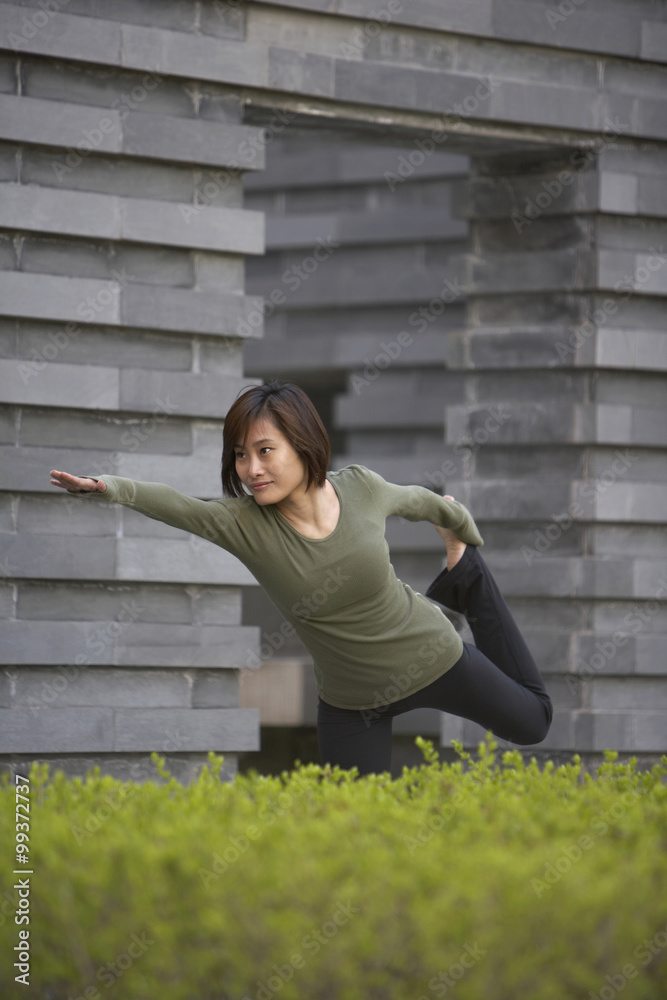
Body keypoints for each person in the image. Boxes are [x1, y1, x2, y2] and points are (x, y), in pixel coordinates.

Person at [50, 380, 552, 776]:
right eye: (240, 455)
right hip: (353, 704)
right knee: (350, 838)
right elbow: (180, 506)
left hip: (430, 654)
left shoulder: (361, 488)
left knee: (533, 723)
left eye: (264, 450)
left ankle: (468, 578)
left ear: (302, 443)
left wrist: (461, 532)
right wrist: (110, 487)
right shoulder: (245, 525)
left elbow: (421, 501)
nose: (250, 468)